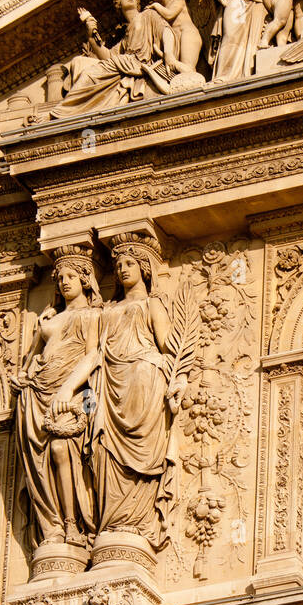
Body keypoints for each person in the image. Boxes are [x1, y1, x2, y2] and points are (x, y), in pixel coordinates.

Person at [91, 232, 180, 546]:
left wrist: (182, 356)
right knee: (103, 449)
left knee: (142, 449)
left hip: (144, 379)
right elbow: (92, 348)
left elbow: (168, 344)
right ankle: (113, 522)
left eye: (130, 263)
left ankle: (137, 519)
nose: (122, 269)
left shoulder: (151, 304)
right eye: (118, 265)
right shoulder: (107, 310)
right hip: (109, 384)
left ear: (144, 268)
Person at [12, 246, 100, 549]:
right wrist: (40, 330)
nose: (64, 282)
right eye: (60, 277)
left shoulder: (92, 316)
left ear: (85, 280)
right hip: (39, 392)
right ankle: (54, 524)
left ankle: (72, 523)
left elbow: (93, 357)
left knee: (62, 450)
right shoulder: (50, 319)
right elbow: (29, 362)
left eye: (71, 276)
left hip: (72, 391)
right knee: (41, 462)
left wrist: (68, 389)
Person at [53, 0, 171, 116]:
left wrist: (170, 55)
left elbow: (166, 31)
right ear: (118, 4)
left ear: (138, 3)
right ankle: (74, 111)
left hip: (138, 63)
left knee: (90, 73)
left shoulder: (148, 15)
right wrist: (92, 37)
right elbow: (108, 56)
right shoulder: (125, 37)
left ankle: (62, 112)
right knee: (79, 61)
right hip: (126, 62)